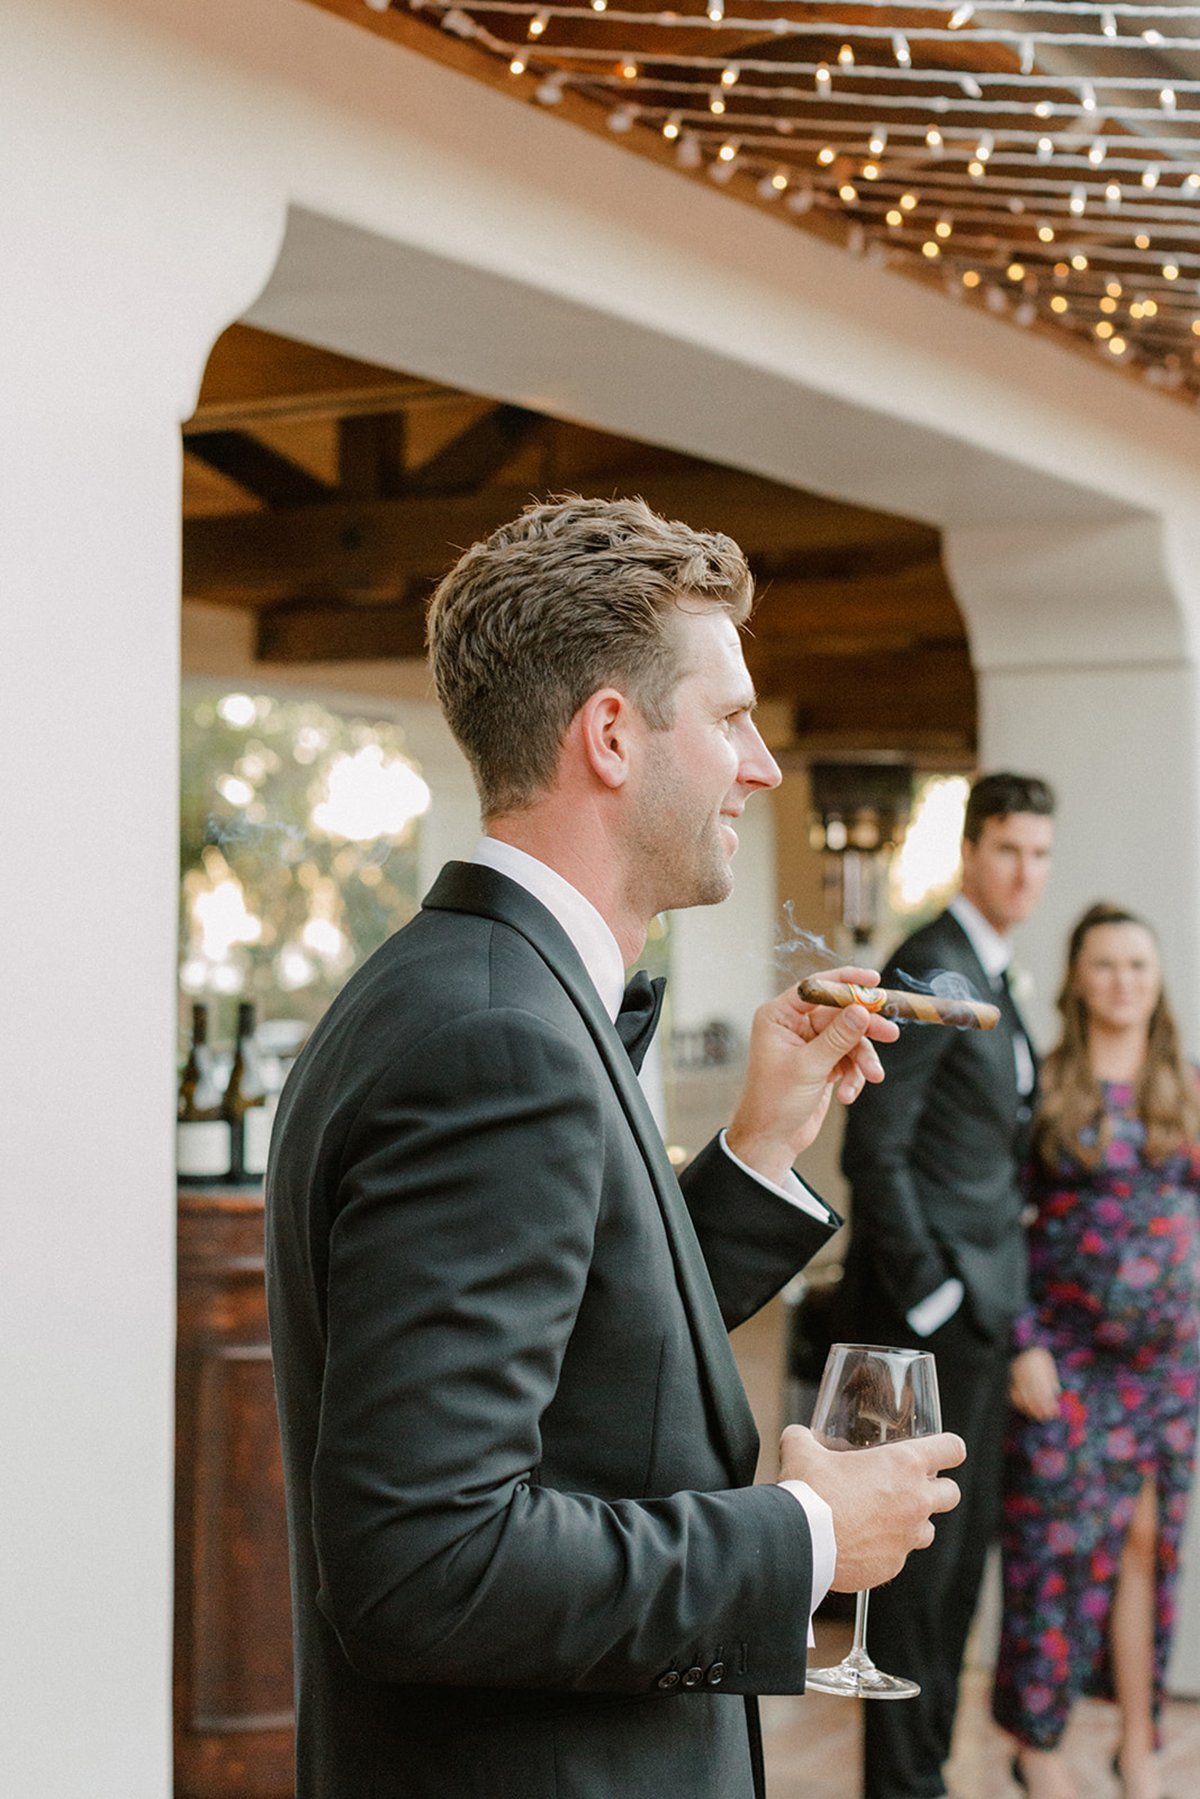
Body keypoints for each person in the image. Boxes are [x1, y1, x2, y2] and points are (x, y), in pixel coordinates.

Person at [264, 495, 965, 1799]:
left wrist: (758, 1145)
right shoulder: (494, 1036)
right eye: (732, 717)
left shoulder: (467, 986)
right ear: (610, 735)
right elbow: (427, 1562)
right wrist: (808, 1536)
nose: (760, 764)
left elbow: (584, 1367)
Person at [835, 770, 1056, 1799]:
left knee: (959, 1564)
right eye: (1010, 848)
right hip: (938, 1320)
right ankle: (905, 1784)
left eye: (1041, 853)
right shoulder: (933, 961)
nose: (1027, 871)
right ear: (973, 850)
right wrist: (936, 1299)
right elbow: (876, 1146)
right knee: (923, 1572)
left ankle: (924, 1773)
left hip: (983, 1314)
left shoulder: (997, 974)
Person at [993, 904, 1200, 1799]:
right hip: (1066, 1357)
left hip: (1169, 1367)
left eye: (1138, 964)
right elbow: (1000, 1221)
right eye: (1106, 964)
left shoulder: (1186, 1088)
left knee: (1150, 1545)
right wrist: (1023, 1342)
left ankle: (1140, 1743)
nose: (1123, 979)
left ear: (1158, 982)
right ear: (1078, 978)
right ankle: (1038, 1744)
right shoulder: (1044, 1085)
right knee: (1055, 1548)